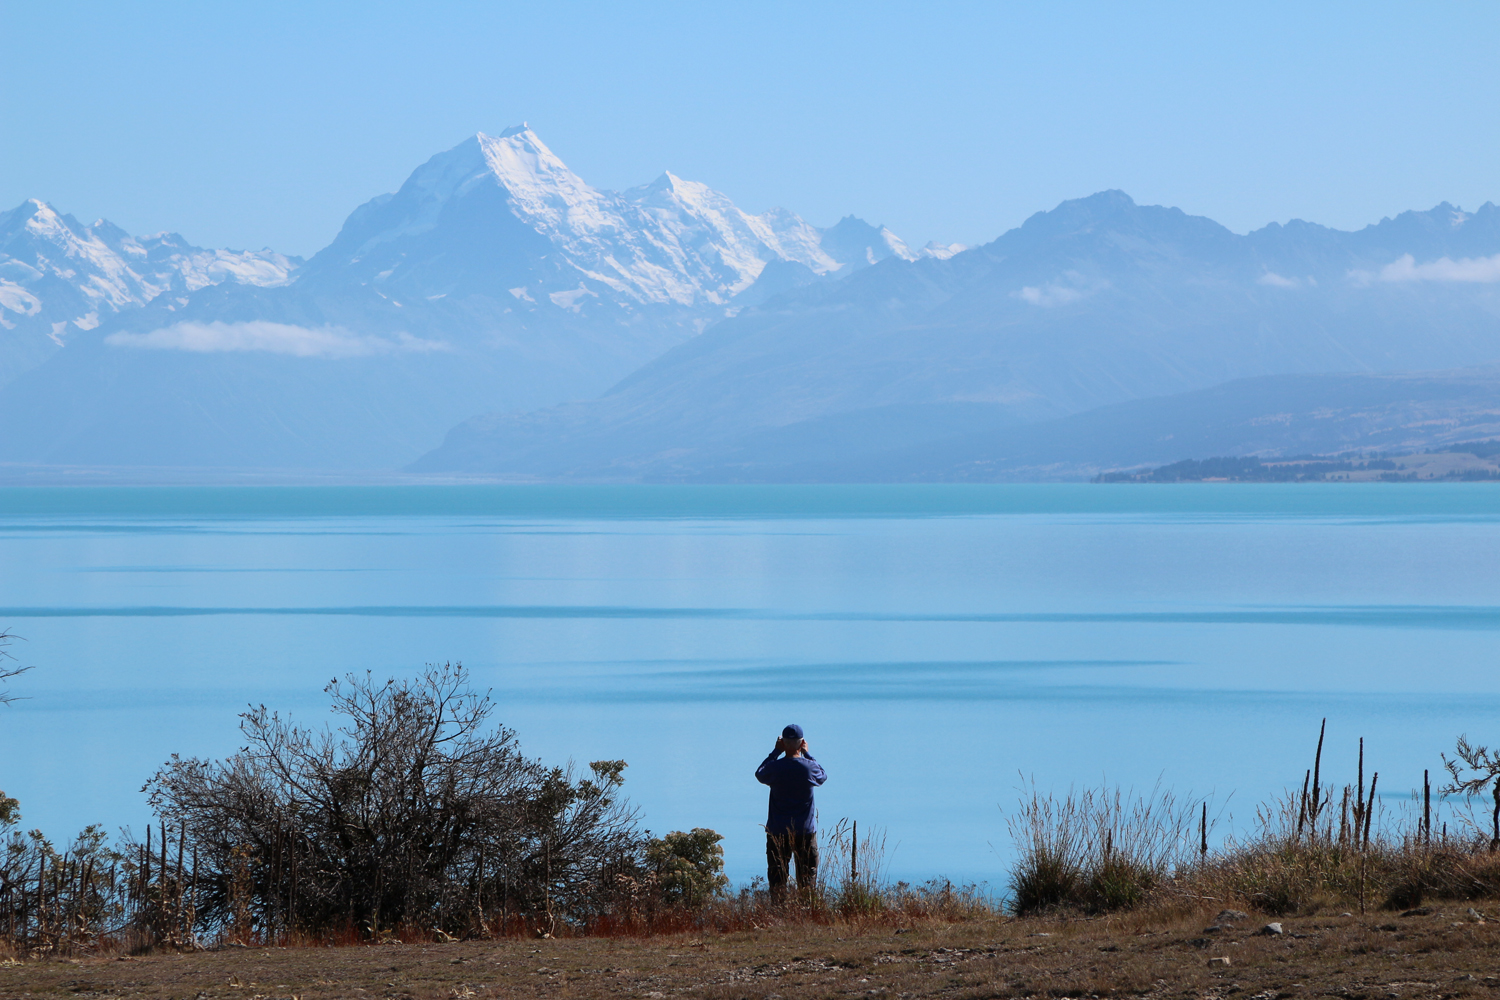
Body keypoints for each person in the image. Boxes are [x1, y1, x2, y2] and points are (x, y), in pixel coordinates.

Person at [754, 723, 827, 899]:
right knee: (807, 879)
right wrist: (807, 754)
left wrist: (775, 752)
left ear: (783, 743)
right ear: (801, 743)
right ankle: (806, 915)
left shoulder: (776, 767)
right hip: (805, 831)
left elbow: (760, 773)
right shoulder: (808, 767)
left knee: (777, 878)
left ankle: (779, 915)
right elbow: (823, 775)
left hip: (778, 830)